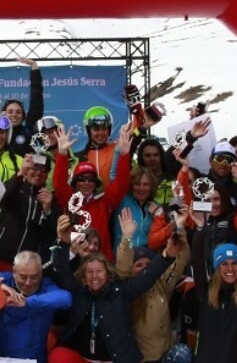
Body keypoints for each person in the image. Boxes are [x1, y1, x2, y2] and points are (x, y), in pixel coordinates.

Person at [48, 214, 180, 363]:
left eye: (99, 271)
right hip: (82, 358)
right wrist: (63, 242)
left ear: (108, 274)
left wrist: (167, 257)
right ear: (83, 277)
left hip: (112, 360)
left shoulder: (120, 292)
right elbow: (61, 270)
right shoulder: (78, 292)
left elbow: (147, 277)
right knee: (58, 355)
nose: (94, 276)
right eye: (90, 272)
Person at [0, 251, 71, 363]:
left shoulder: (46, 286)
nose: (28, 282)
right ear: (14, 272)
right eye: (23, 277)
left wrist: (28, 302)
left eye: (34, 277)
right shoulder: (6, 280)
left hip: (33, 359)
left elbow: (66, 298)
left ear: (41, 273)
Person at [115, 208, 192, 363]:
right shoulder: (127, 291)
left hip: (165, 354)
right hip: (141, 359)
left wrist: (180, 228)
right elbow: (122, 269)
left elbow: (181, 260)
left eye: (148, 264)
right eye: (139, 265)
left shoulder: (161, 284)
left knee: (183, 353)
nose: (145, 268)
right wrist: (127, 238)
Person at [52, 125, 133, 261]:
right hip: (76, 261)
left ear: (96, 183)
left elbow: (122, 184)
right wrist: (62, 153)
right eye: (82, 179)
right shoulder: (69, 200)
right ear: (75, 182)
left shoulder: (105, 201)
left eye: (91, 179)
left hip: (103, 261)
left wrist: (124, 155)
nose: (86, 183)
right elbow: (58, 184)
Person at [0, 153, 58, 271]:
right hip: (0, 257)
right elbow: (2, 198)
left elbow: (49, 237)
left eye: (43, 170)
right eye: (35, 168)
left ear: (47, 174)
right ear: (27, 169)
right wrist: (20, 173)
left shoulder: (50, 199)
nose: (38, 173)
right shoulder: (16, 185)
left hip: (27, 265)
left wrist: (47, 211)